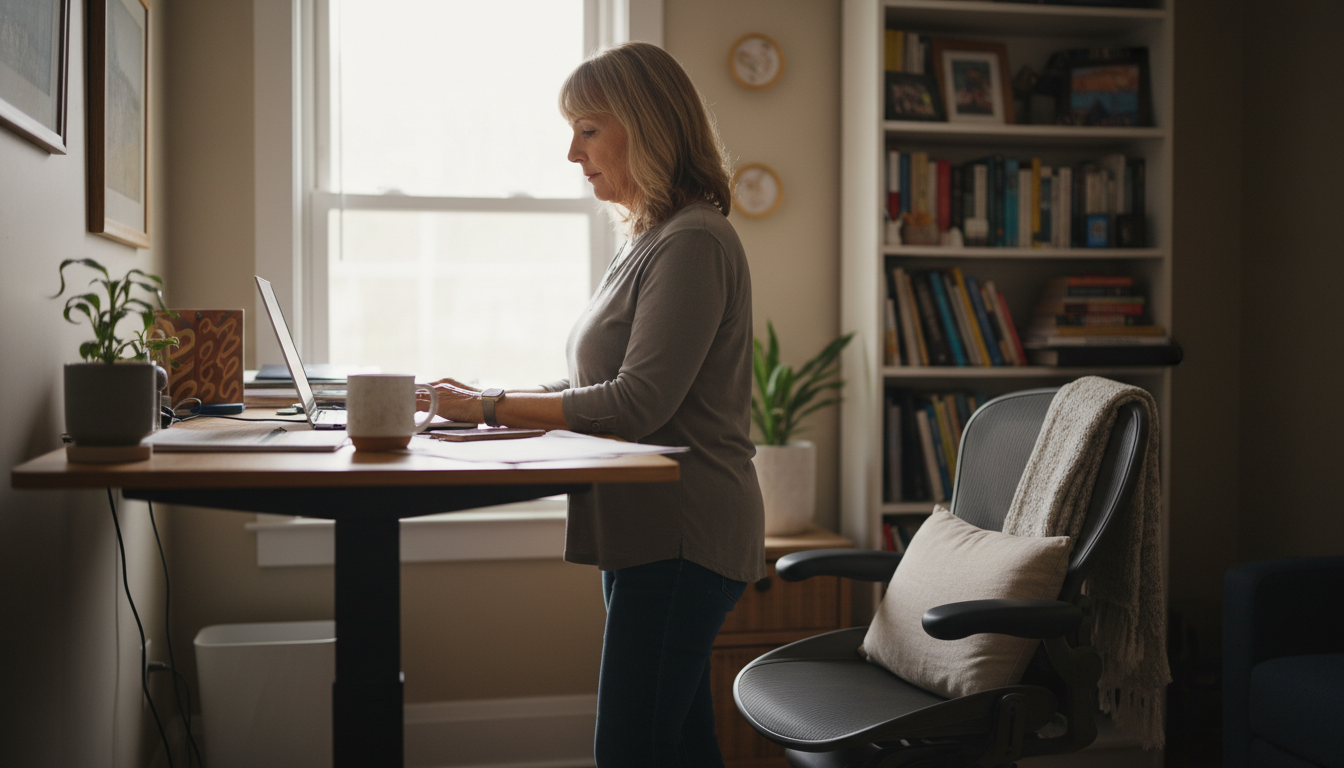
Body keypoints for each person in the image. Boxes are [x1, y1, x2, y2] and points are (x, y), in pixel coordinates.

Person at [421, 41, 765, 767]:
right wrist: (477, 405)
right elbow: (596, 386)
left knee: (631, 752)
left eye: (587, 129)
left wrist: (488, 407)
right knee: (677, 745)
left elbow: (635, 403)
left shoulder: (694, 242)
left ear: (647, 127)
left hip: (685, 536)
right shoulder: (651, 239)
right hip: (652, 535)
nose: (573, 155)